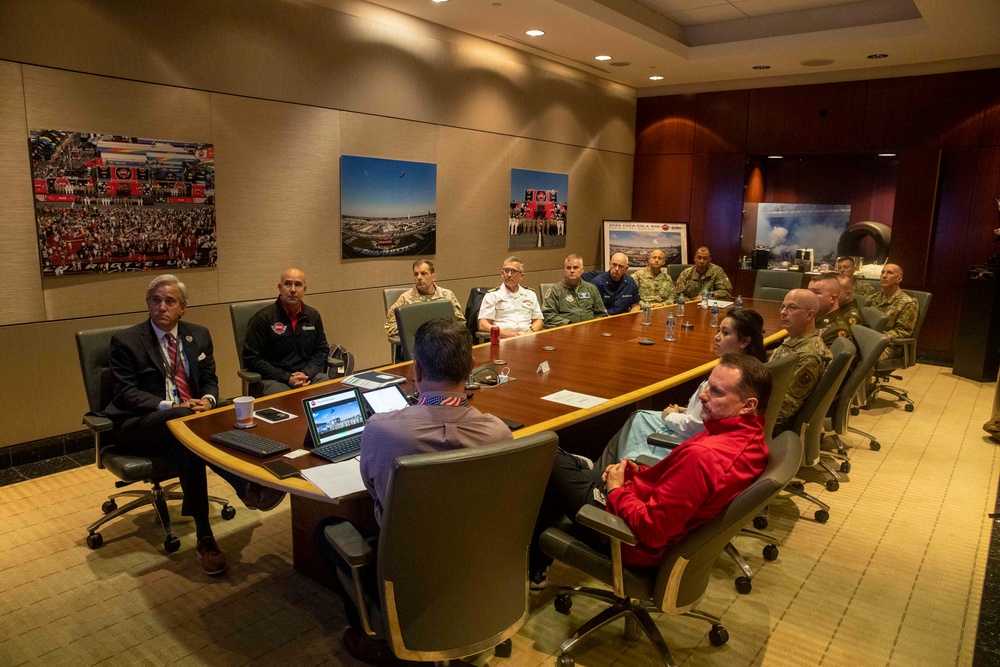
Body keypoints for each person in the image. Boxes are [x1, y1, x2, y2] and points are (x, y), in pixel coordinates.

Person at [314, 318, 511, 664]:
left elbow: (372, 489)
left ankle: (373, 640)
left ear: (416, 371)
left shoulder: (381, 430)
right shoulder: (498, 434)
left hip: (405, 576)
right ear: (471, 369)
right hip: (476, 568)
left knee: (325, 531)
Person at [528, 354, 772, 587]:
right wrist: (637, 473)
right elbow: (677, 488)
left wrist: (615, 491)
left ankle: (532, 567)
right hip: (638, 502)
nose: (704, 396)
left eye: (717, 392)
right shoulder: (750, 441)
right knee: (563, 474)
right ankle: (536, 565)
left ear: (748, 405)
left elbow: (651, 530)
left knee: (545, 457)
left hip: (626, 536)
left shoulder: (705, 457)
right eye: (707, 386)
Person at [104, 275, 285, 576]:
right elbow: (125, 393)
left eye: (169, 301)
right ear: (148, 304)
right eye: (155, 300)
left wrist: (210, 400)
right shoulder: (126, 341)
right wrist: (171, 407)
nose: (161, 306)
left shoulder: (198, 336)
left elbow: (210, 379)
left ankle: (206, 538)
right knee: (184, 422)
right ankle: (247, 488)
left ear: (183, 308)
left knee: (196, 434)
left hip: (185, 424)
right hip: (139, 424)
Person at [594, 309, 768, 470]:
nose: (716, 337)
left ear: (744, 341)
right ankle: (604, 467)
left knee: (637, 418)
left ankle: (611, 472)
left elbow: (694, 426)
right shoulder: (749, 369)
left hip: (688, 442)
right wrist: (686, 409)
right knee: (639, 416)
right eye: (719, 331)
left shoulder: (730, 379)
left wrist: (669, 415)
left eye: (725, 333)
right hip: (695, 428)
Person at [242, 268, 331, 395]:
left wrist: (306, 373)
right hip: (274, 380)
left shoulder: (313, 316)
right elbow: (252, 359)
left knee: (326, 385)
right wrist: (287, 378)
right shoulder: (263, 318)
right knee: (284, 397)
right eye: (288, 284)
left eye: (298, 284)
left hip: (307, 377)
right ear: (280, 287)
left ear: (304, 290)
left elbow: (321, 351)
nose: (293, 289)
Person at [769, 289, 832, 434]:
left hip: (774, 427)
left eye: (791, 307)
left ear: (809, 315)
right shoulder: (796, 340)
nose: (783, 312)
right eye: (783, 306)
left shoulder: (808, 355)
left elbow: (785, 408)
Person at [384, 259, 465, 340]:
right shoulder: (405, 299)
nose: (419, 277)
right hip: (418, 344)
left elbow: (461, 323)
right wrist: (414, 330)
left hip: (444, 342)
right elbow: (389, 327)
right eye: (416, 274)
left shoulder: (448, 296)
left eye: (423, 273)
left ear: (433, 277)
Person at [477, 256, 543, 338]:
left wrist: (530, 332)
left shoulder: (530, 294)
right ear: (502, 273)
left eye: (513, 271)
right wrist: (506, 334)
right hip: (503, 339)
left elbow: (538, 320)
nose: (509, 275)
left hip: (528, 337)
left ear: (521, 276)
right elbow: (483, 324)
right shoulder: (492, 295)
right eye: (506, 271)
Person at [867, 263, 919, 361]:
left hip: (890, 346)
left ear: (899, 279)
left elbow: (904, 331)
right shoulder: (872, 298)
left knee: (865, 357)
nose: (884, 276)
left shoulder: (907, 303)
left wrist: (877, 337)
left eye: (889, 273)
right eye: (883, 272)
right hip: (869, 340)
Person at [542, 254, 608, 328]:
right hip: (566, 331)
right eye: (568, 268)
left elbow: (602, 313)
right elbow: (548, 315)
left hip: (590, 331)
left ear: (582, 270)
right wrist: (568, 324)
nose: (572, 271)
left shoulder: (591, 289)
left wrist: (593, 326)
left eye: (575, 267)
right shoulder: (555, 290)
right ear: (565, 270)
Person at [808, 273, 857, 348]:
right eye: (809, 291)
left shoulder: (836, 331)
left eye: (816, 292)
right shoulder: (815, 317)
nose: (810, 296)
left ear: (833, 299)